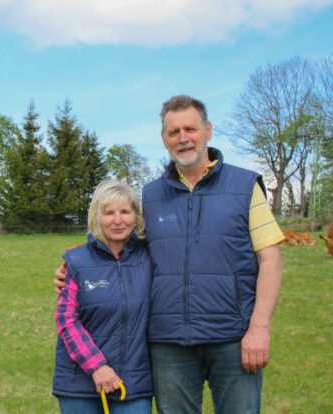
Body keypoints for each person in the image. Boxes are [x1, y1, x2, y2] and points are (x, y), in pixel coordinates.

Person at [54, 95, 284, 413]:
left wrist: (259, 329)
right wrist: (76, 270)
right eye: (173, 132)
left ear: (208, 130)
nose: (183, 138)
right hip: (169, 345)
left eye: (190, 128)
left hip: (233, 338)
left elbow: (270, 259)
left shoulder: (245, 187)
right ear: (164, 139)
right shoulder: (150, 195)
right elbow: (119, 248)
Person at [52, 179, 153, 413]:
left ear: (136, 217)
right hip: (79, 385)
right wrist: (97, 367)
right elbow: (66, 319)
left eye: (125, 212)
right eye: (109, 213)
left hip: (133, 385)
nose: (118, 221)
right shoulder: (76, 261)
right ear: (97, 216)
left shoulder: (150, 257)